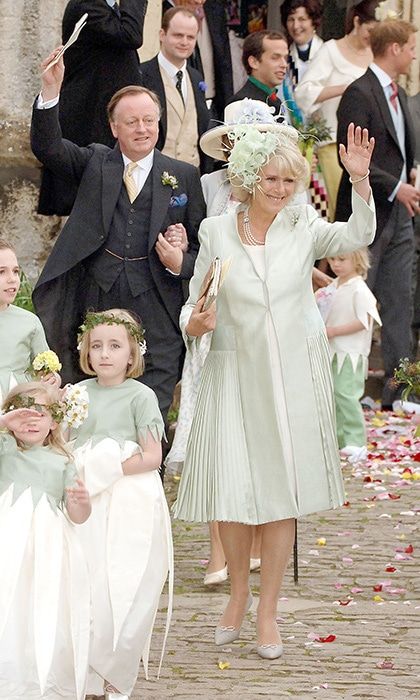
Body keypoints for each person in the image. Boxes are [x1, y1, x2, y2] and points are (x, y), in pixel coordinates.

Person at [173, 120, 376, 659]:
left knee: (281, 495)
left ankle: (268, 611)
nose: (280, 190)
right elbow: (193, 305)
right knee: (235, 493)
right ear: (246, 177)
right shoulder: (216, 231)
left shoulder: (304, 224)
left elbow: (358, 236)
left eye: (289, 180)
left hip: (290, 379)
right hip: (233, 375)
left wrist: (358, 183)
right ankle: (237, 595)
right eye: (270, 179)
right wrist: (194, 322)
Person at [31, 49, 206, 424]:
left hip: (157, 301)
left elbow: (203, 252)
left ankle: (147, 471)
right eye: (132, 122)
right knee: (93, 389)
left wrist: (180, 262)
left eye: (149, 120)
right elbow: (48, 148)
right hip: (98, 296)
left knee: (154, 399)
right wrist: (50, 92)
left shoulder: (184, 175)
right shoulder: (96, 162)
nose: (142, 129)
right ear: (114, 128)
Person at [70, 309, 173, 699]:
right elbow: (66, 446)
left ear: (132, 354)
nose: (105, 354)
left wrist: (109, 467)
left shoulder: (141, 396)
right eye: (96, 346)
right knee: (90, 579)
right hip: (88, 504)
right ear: (86, 352)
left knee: (128, 579)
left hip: (129, 498)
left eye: (115, 346)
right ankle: (88, 673)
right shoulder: (77, 394)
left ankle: (117, 672)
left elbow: (151, 456)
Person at [336, 18, 418, 408]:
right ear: (395, 49)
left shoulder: (400, 93)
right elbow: (350, 153)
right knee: (359, 299)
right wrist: (396, 186)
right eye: (411, 46)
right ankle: (350, 393)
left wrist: (410, 175)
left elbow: (400, 150)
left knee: (400, 300)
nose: (415, 53)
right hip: (368, 211)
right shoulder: (359, 92)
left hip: (401, 214)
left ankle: (400, 391)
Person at [0, 381, 91, 699]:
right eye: (21, 412)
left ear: (55, 421)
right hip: (7, 542)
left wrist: (81, 501)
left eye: (40, 412)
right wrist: (3, 423)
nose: (30, 419)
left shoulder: (63, 461)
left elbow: (78, 515)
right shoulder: (5, 450)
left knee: (40, 605)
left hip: (46, 548)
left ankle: (39, 678)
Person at [38, 0, 149, 216]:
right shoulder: (88, 5)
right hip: (88, 132)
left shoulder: (108, 9)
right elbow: (131, 35)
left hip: (104, 130)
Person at [295, 0, 379, 219]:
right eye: (370, 30)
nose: (372, 36)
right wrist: (346, 89)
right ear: (357, 21)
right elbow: (304, 92)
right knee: (337, 214)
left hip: (369, 149)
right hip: (334, 144)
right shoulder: (331, 50)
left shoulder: (375, 55)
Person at [316, 248, 381, 459]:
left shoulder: (359, 289)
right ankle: (339, 439)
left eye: (342, 259)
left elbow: (365, 321)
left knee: (346, 395)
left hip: (350, 353)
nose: (336, 264)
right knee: (333, 396)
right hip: (333, 352)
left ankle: (356, 440)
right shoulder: (334, 286)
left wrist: (334, 331)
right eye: (333, 259)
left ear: (357, 259)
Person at [140, 6, 211, 172]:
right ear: (162, 35)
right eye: (178, 35)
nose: (185, 42)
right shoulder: (141, 74)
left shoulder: (196, 77)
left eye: (190, 37)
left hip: (194, 174)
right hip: (156, 173)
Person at [0, 239, 60, 404]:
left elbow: (46, 368)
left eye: (16, 271)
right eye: (1, 272)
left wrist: (52, 379)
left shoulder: (29, 322)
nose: (12, 279)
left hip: (17, 403)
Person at [162, 0, 233, 120]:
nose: (199, 1)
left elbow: (224, 63)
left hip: (214, 106)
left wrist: (228, 110)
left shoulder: (213, 8)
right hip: (178, 110)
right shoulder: (159, 12)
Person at [227, 30, 289, 116]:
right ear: (254, 62)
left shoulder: (275, 100)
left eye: (285, 58)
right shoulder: (242, 105)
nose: (284, 64)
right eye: (275, 58)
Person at [280, 0, 323, 83]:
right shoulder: (283, 56)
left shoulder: (328, 53)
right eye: (291, 19)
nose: (295, 26)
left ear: (314, 22)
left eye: (302, 19)